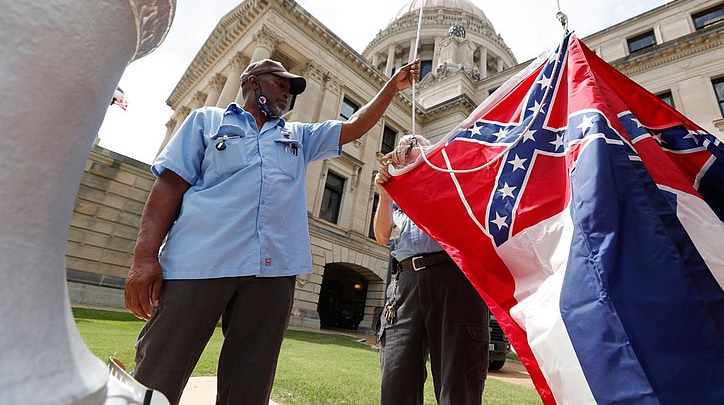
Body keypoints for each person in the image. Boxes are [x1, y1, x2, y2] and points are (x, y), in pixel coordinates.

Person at [124, 57, 420, 405]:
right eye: (280, 83)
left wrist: (391, 87)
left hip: (272, 271)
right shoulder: (207, 121)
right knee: (160, 370)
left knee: (250, 380)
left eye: (291, 89)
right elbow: (169, 187)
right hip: (199, 262)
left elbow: (354, 126)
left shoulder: (298, 136)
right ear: (252, 81)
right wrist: (144, 258)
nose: (287, 93)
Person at [374, 135, 490, 405]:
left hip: (453, 278)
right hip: (405, 283)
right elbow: (382, 236)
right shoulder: (398, 199)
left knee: (458, 380)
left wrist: (428, 164)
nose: (404, 148)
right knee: (396, 376)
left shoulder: (450, 177)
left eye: (413, 144)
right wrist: (385, 193)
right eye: (401, 145)